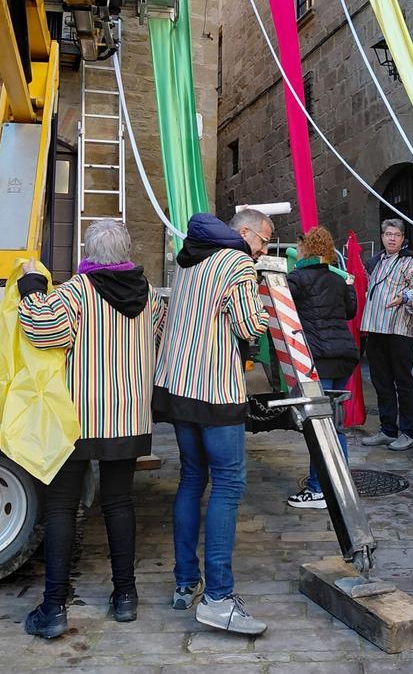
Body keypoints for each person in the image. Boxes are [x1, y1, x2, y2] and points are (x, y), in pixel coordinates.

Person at [16, 219, 166, 639]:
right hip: (129, 416)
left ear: (88, 252)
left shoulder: (74, 293)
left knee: (62, 508)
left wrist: (31, 288)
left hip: (77, 417)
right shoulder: (151, 296)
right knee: (119, 504)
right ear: (128, 251)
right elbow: (156, 336)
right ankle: (125, 597)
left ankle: (53, 607)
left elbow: (44, 333)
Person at [153, 210, 272, 636]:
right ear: (244, 233)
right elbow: (247, 324)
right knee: (228, 484)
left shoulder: (188, 261)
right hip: (215, 389)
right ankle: (218, 598)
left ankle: (186, 582)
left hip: (177, 386)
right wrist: (262, 307)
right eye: (262, 242)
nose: (261, 252)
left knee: (191, 480)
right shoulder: (236, 262)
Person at [284, 226, 358, 510]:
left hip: (319, 358)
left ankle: (319, 489)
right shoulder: (338, 280)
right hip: (345, 356)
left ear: (305, 249)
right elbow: (350, 311)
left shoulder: (298, 279)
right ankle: (341, 486)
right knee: (334, 425)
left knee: (319, 426)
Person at [359, 218, 413, 451]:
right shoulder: (376, 262)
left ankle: (408, 432)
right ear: (382, 237)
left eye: (396, 235)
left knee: (403, 381)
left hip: (399, 329)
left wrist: (405, 297)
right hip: (375, 328)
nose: (392, 238)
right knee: (381, 382)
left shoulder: (411, 262)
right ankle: (388, 430)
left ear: (403, 239)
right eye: (388, 234)